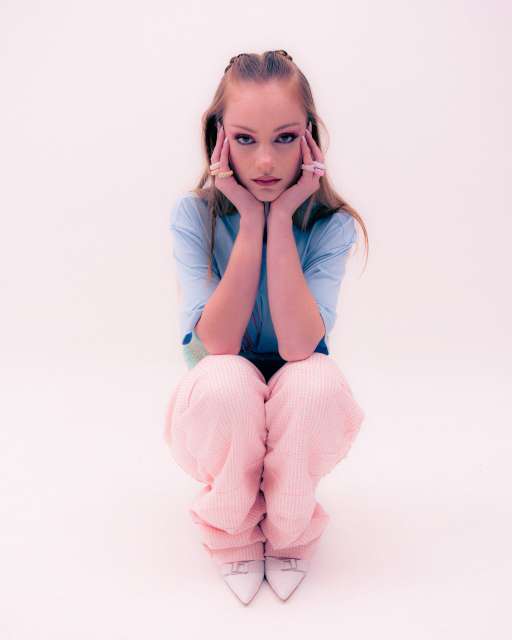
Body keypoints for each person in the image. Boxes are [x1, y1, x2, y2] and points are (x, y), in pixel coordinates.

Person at [163, 50, 369, 605]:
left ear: (309, 139)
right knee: (227, 377)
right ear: (219, 140)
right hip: (216, 415)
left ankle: (289, 530)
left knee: (316, 379)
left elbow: (300, 346)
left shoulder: (330, 227)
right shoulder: (194, 216)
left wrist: (280, 218)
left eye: (284, 138)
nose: (265, 162)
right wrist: (250, 219)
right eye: (245, 139)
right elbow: (217, 345)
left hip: (296, 416)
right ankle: (231, 531)